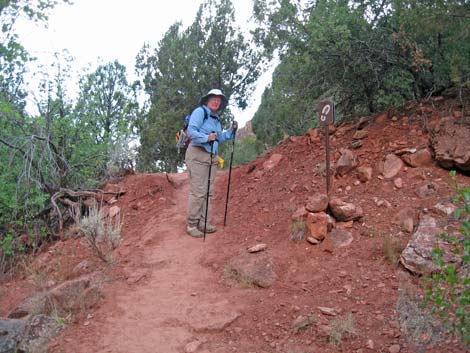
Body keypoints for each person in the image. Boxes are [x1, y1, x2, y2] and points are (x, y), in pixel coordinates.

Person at [185, 89, 238, 237]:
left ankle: (203, 222)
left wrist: (231, 131)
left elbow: (219, 138)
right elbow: (191, 132)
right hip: (197, 154)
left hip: (211, 157)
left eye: (219, 99)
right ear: (207, 99)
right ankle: (192, 224)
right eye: (213, 98)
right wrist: (206, 137)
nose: (216, 101)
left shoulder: (216, 119)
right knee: (198, 191)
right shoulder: (200, 112)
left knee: (208, 192)